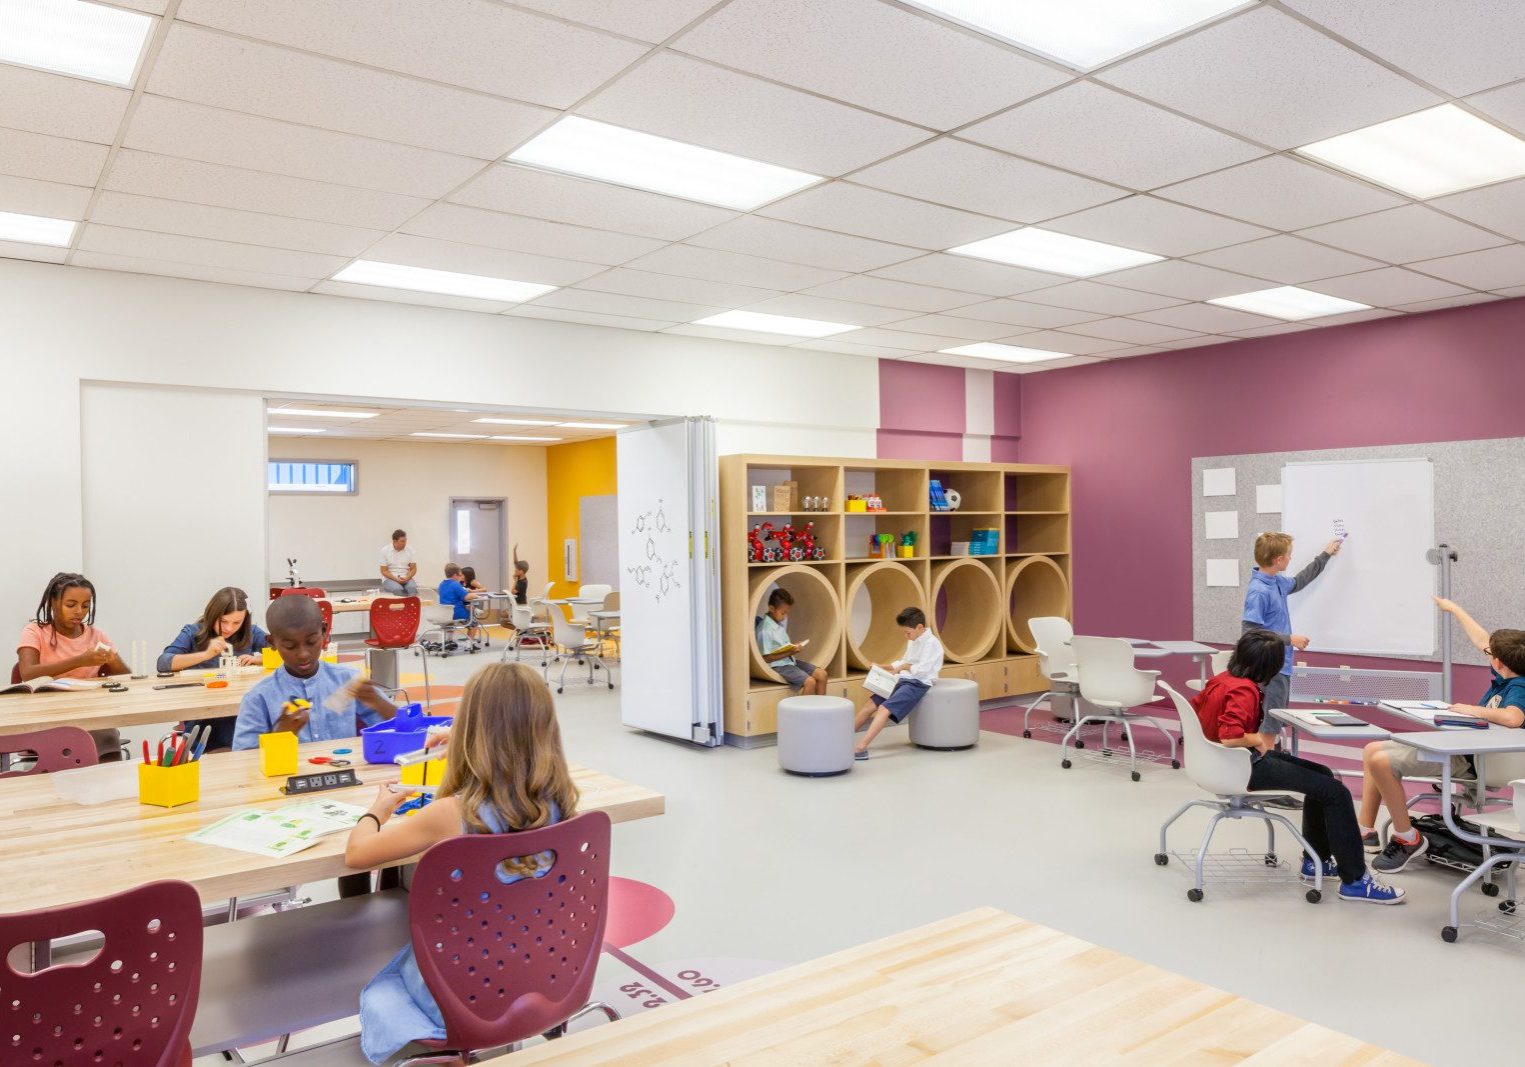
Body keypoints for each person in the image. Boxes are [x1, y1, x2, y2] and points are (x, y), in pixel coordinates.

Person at [346, 662, 579, 1064]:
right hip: (544, 972)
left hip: (461, 989)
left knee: (383, 974)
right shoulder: (563, 804)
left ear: (472, 732)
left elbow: (357, 854)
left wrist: (376, 811)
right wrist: (457, 741)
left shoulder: (450, 815)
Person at [1192, 629, 1403, 905]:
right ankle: (1355, 880)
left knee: (1323, 776)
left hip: (1221, 762)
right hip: (1240, 768)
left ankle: (1315, 861)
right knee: (1336, 793)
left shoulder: (1222, 679)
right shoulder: (1243, 689)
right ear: (1271, 666)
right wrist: (1256, 738)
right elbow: (1231, 737)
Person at [1360, 598, 1525, 873]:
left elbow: (1513, 717)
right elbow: (1481, 638)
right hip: (1467, 751)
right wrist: (1456, 609)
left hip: (1474, 764)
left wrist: (1472, 710)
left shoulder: (1518, 686)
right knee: (1372, 749)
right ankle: (1366, 830)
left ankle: (1408, 837)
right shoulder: (1509, 672)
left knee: (1380, 761)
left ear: (1497, 662)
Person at [230, 595, 396, 750]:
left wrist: (378, 703)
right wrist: (280, 735)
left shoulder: (348, 679)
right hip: (286, 779)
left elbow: (404, 730)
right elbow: (244, 761)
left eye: (311, 642)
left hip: (346, 773)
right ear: (272, 642)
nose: (303, 654)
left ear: (324, 631)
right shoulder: (259, 697)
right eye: (290, 646)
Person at [16, 571, 131, 761]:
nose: (79, 611)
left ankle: (105, 784)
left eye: (85, 606)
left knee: (105, 731)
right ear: (53, 602)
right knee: (85, 735)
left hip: (90, 712)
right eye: (71, 605)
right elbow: (28, 674)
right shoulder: (35, 632)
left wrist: (112, 660)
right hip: (48, 713)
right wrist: (80, 660)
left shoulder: (97, 635)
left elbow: (126, 677)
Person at [1242, 531, 1343, 727]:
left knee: (1277, 721)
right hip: (1269, 666)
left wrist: (1326, 554)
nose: (1291, 557)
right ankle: (1267, 756)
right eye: (1289, 554)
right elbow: (1249, 633)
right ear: (1279, 560)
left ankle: (1272, 753)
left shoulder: (1276, 582)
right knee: (1271, 723)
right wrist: (1289, 639)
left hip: (1281, 662)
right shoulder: (1259, 591)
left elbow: (1301, 580)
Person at [159, 587, 271, 751]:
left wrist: (259, 659)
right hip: (204, 716)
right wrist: (206, 654)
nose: (229, 628)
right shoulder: (193, 632)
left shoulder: (251, 633)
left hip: (239, 712)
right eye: (223, 621)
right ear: (212, 614)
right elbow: (163, 663)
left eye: (236, 623)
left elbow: (284, 652)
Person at [854, 607, 942, 761]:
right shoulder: (914, 639)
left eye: (908, 632)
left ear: (920, 627)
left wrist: (903, 667)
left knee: (884, 708)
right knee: (869, 705)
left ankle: (861, 748)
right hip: (903, 679)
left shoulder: (932, 643)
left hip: (917, 684)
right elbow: (904, 662)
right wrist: (882, 667)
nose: (906, 636)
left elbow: (921, 671)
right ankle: (840, 740)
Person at [756, 588, 826, 695]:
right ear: (771, 608)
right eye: (783, 613)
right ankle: (803, 712)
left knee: (822, 674)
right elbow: (766, 658)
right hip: (778, 665)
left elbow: (779, 646)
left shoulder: (777, 624)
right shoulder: (765, 629)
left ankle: (821, 711)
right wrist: (791, 652)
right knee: (810, 682)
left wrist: (792, 647)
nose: (784, 617)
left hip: (789, 661)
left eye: (786, 613)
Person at [379, 529, 418, 597]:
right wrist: (396, 579)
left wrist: (407, 577)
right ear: (394, 541)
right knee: (398, 589)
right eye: (402, 541)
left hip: (406, 577)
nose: (405, 543)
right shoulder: (385, 550)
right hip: (390, 578)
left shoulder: (410, 550)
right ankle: (402, 607)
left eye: (405, 541)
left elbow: (413, 569)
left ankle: (411, 607)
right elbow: (384, 571)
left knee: (412, 588)